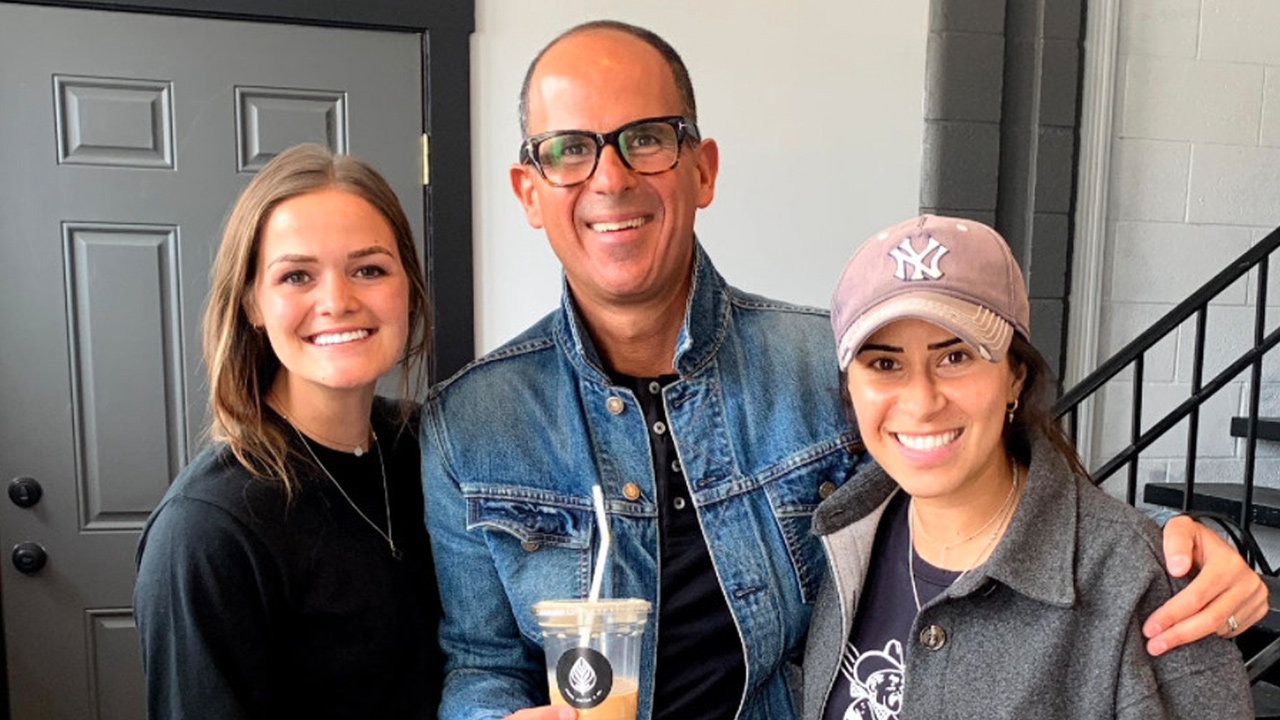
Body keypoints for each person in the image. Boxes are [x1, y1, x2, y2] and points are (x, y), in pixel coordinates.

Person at [421, 20, 1267, 720]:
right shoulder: (470, 423)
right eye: (568, 149)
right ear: (528, 190)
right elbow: (481, 660)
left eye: (646, 139)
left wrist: (1175, 547)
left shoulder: (818, 366)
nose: (609, 176)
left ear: (702, 169)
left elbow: (974, 479)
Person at [801, 215, 1252, 719]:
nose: (922, 402)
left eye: (955, 357)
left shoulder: (1136, 583)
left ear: (1015, 376)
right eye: (885, 364)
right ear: (850, 387)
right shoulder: (844, 538)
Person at [134, 143, 442, 719]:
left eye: (369, 269)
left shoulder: (435, 452)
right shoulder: (206, 531)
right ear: (252, 302)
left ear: (408, 286)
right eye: (296, 276)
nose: (337, 301)